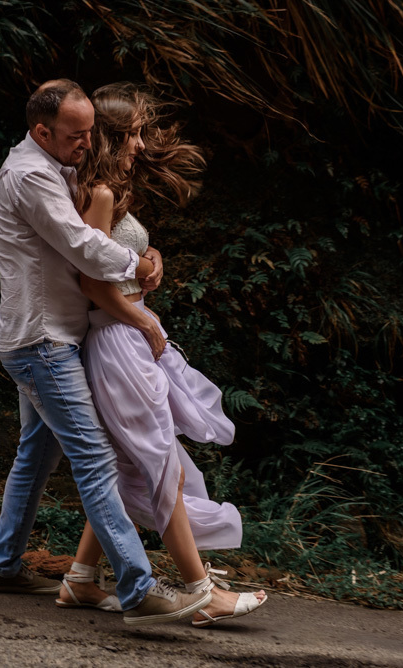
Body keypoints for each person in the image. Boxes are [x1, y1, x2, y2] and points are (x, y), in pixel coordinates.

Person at [0, 78, 213, 627]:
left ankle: (1, 564)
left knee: (37, 455)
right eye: (76, 135)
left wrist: (140, 251)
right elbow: (82, 246)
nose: (87, 143)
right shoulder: (31, 175)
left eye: (91, 133)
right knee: (96, 460)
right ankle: (139, 589)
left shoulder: (55, 163)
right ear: (42, 131)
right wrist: (139, 267)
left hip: (47, 335)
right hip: (43, 342)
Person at [53, 82, 266, 627]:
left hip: (126, 336)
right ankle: (200, 591)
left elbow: (111, 264)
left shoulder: (107, 191)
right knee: (158, 462)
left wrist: (149, 258)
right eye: (134, 134)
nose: (142, 145)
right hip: (118, 341)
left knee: (133, 463)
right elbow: (90, 282)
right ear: (114, 136)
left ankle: (80, 579)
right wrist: (142, 315)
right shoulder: (98, 193)